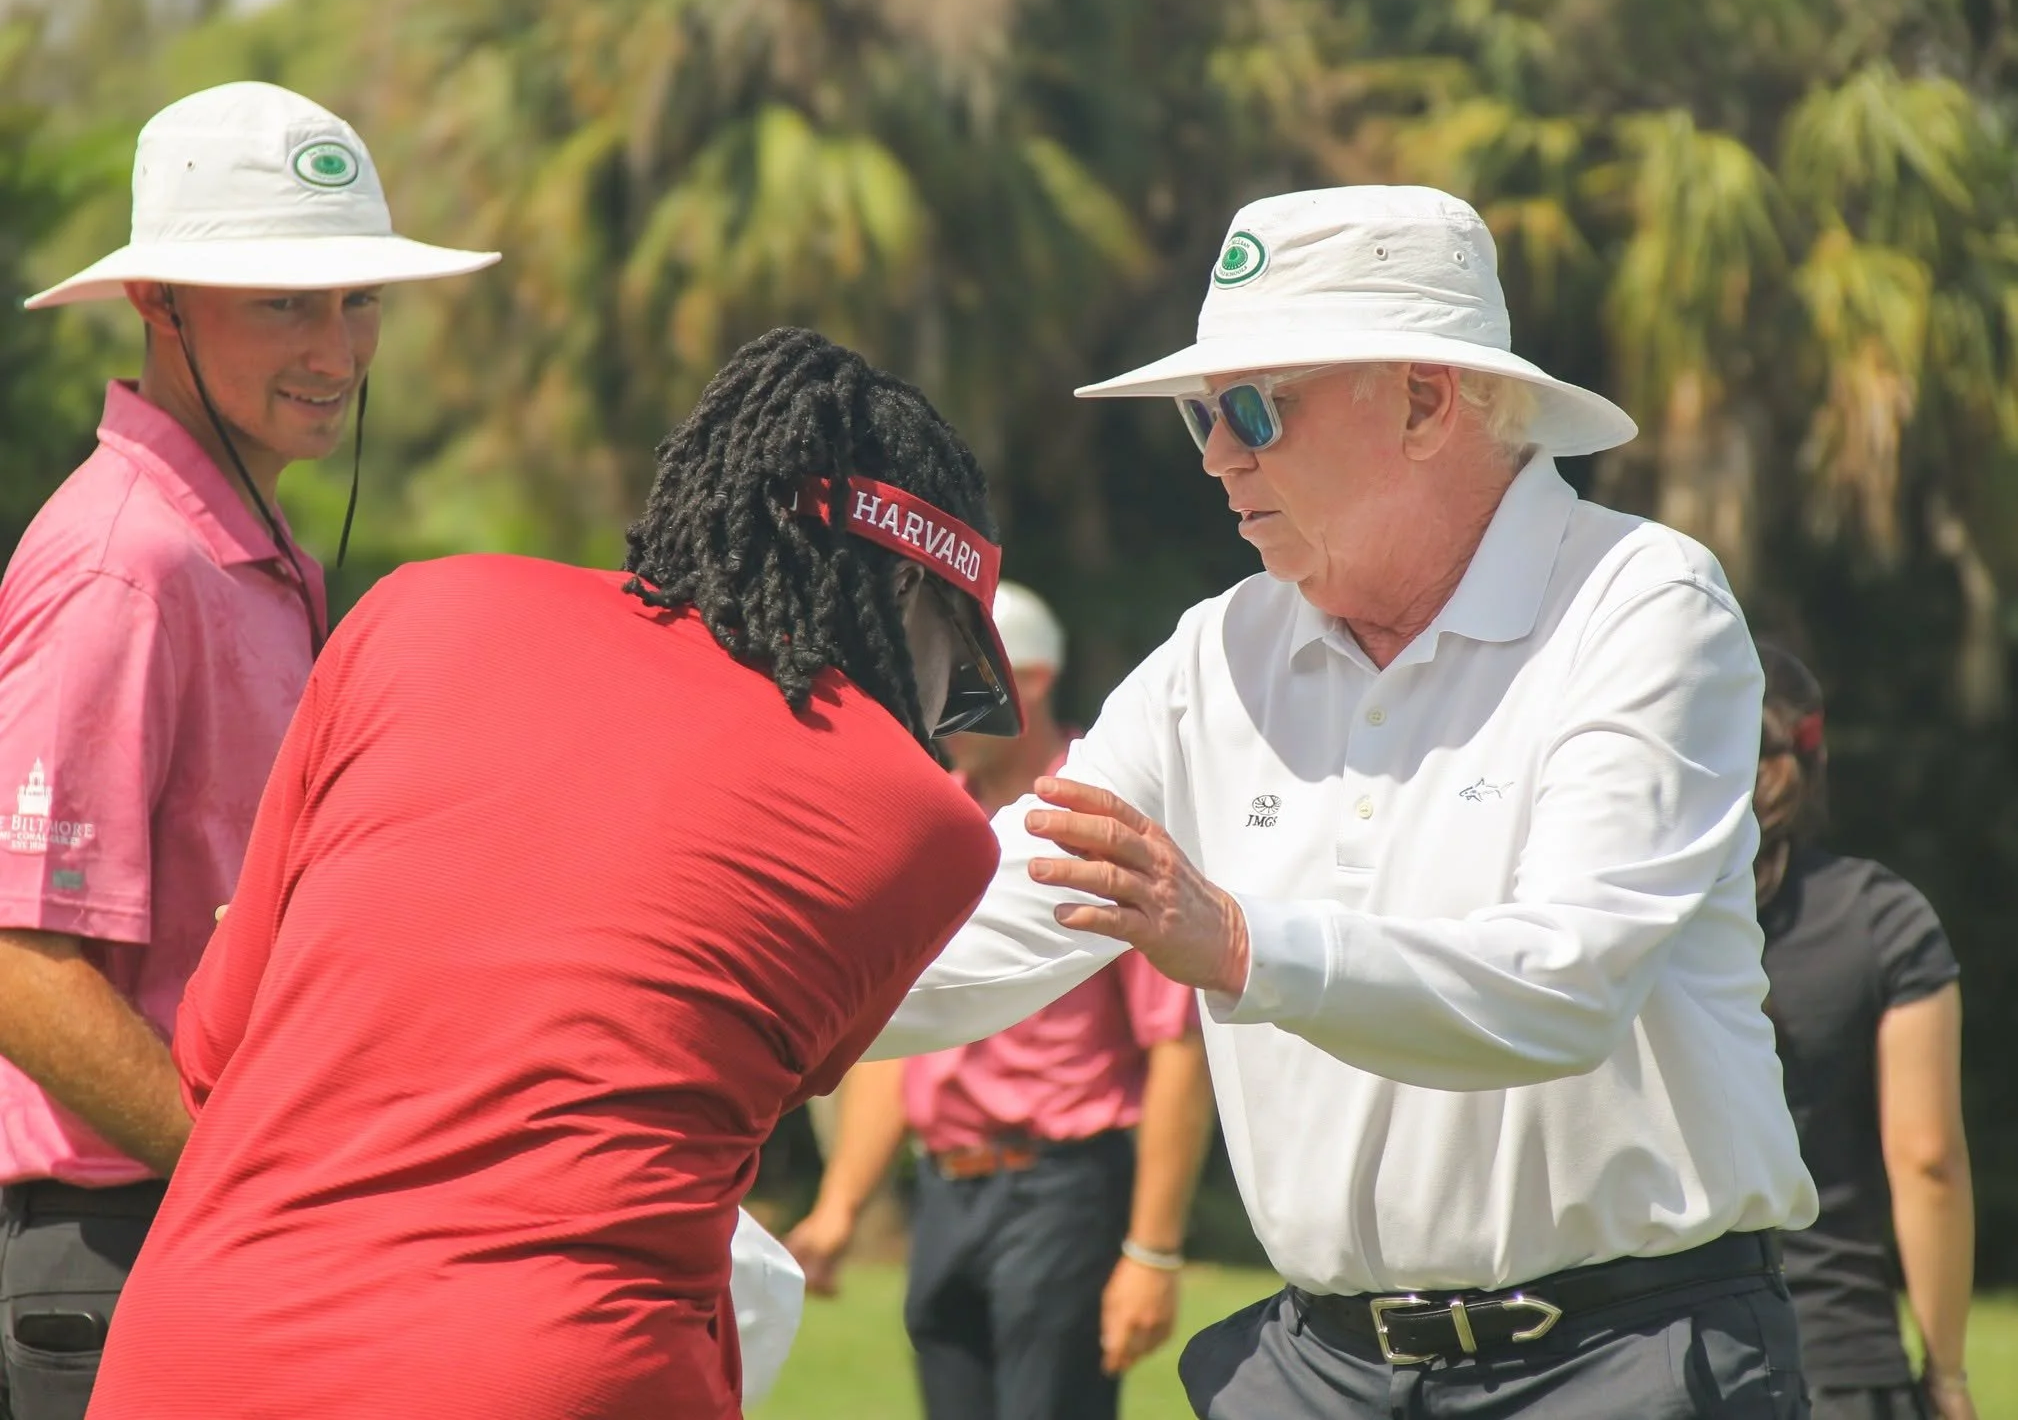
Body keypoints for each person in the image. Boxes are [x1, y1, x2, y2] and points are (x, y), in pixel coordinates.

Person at [866, 185, 1820, 1418]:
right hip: (1316, 1367)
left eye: (1252, 405)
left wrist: (1242, 943)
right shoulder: (1214, 652)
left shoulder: (1640, 603)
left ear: (1425, 400)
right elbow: (975, 921)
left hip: (1625, 1361)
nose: (1214, 451)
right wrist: (701, 1001)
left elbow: (1563, 985)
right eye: (1200, 416)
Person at [86, 327, 1018, 1420]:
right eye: (959, 682)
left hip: (194, 1349)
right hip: (552, 1370)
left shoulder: (413, 606)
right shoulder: (930, 829)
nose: (946, 727)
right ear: (909, 586)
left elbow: (210, 1054)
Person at [0, 81, 496, 1419]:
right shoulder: (126, 562)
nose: (336, 347)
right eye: (283, 301)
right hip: (126, 1239)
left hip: (211, 1225)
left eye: (355, 299)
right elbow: (17, 957)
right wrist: (249, 1174)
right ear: (157, 298)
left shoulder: (244, 548)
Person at [786, 582, 1215, 1420]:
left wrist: (1153, 1250)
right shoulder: (930, 816)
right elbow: (894, 1032)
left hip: (1062, 1192)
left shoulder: (1107, 814)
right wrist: (839, 1209)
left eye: (961, 685)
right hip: (947, 1192)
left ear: (1036, 679)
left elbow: (1177, 1044)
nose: (940, 710)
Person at [1752, 643, 1976, 1420]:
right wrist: (1945, 1375)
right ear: (1811, 758)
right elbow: (1928, 1161)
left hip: (1666, 1359)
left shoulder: (1625, 925)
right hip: (1843, 1361)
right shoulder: (1882, 918)